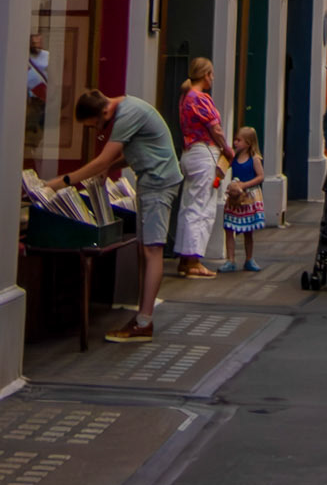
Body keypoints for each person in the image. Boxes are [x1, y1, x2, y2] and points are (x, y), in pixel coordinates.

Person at [45, 89, 180, 343]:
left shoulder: (127, 114)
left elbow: (102, 160)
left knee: (152, 250)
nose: (98, 131)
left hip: (158, 183)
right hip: (153, 181)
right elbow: (127, 156)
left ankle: (144, 322)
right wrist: (108, 166)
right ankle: (143, 316)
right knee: (145, 249)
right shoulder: (129, 108)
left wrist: (60, 183)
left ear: (104, 111)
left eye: (97, 125)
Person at [176, 58, 229, 277]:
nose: (213, 78)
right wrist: (227, 149)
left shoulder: (184, 99)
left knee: (188, 205)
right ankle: (194, 261)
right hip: (204, 153)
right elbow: (215, 130)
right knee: (202, 207)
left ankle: (184, 257)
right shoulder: (201, 99)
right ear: (205, 74)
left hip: (189, 153)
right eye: (211, 74)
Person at [221, 126, 265, 271]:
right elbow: (223, 168)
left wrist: (245, 185)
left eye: (239, 140)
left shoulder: (254, 159)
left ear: (248, 143)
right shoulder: (233, 158)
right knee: (229, 228)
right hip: (234, 198)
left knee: (248, 231)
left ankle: (249, 259)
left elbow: (260, 176)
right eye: (235, 139)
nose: (235, 143)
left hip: (248, 198)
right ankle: (230, 260)